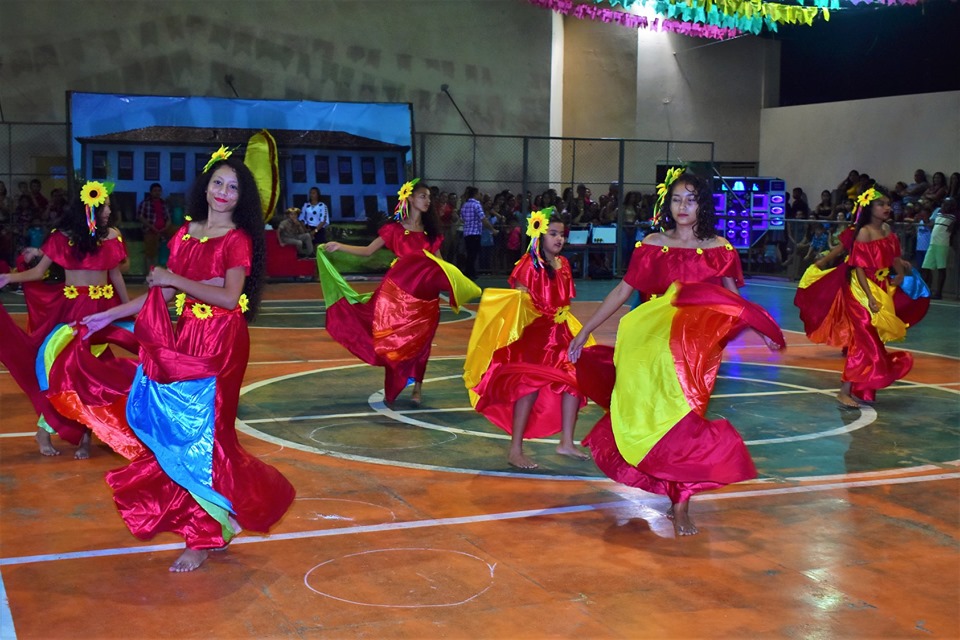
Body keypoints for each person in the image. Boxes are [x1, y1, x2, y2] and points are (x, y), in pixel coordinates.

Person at [81, 150, 295, 572]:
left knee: (207, 435)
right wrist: (105, 315)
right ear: (205, 186)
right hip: (186, 339)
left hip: (222, 341)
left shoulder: (237, 239)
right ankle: (219, 512)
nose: (223, 192)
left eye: (233, 188)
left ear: (241, 198)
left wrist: (175, 279)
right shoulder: (185, 234)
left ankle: (202, 536)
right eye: (218, 183)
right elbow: (160, 295)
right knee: (180, 432)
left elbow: (229, 298)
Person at [567, 169, 784, 536]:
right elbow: (622, 292)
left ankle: (680, 504)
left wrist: (762, 329)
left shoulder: (720, 249)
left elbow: (733, 300)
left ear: (703, 204)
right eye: (677, 199)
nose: (683, 206)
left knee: (686, 425)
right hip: (650, 350)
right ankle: (674, 498)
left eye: (692, 199)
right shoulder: (652, 244)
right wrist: (586, 328)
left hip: (694, 356)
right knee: (653, 420)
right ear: (668, 204)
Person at [0, 181, 136, 459]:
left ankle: (86, 436)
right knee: (70, 374)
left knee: (97, 374)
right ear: (92, 208)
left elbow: (117, 275)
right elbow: (38, 273)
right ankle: (45, 430)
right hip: (75, 312)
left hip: (103, 312)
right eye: (106, 205)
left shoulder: (111, 236)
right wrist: (9, 277)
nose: (110, 209)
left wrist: (127, 308)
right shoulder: (62, 237)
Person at [319, 179, 480, 407]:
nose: (428, 201)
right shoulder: (394, 230)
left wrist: (456, 284)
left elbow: (441, 265)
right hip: (396, 299)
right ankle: (395, 381)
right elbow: (367, 251)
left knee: (422, 345)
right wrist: (339, 246)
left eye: (428, 198)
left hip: (425, 301)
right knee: (393, 343)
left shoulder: (431, 234)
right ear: (410, 199)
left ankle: (418, 387)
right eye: (423, 196)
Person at [464, 212, 592, 469]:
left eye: (562, 234)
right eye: (553, 233)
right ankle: (515, 449)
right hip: (535, 336)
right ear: (539, 234)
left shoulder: (563, 264)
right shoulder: (528, 264)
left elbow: (565, 301)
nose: (559, 239)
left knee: (574, 382)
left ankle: (566, 441)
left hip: (560, 332)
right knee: (529, 388)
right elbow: (518, 304)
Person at [809, 187, 928, 409]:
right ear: (869, 208)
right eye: (881, 204)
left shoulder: (887, 229)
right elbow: (859, 268)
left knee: (875, 337)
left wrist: (901, 273)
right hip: (860, 289)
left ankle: (863, 387)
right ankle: (844, 390)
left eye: (888, 204)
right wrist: (869, 297)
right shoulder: (862, 232)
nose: (887, 208)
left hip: (881, 286)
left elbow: (893, 256)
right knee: (864, 338)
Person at [922, 197, 957, 299]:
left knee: (941, 268)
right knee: (925, 267)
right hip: (932, 244)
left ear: (952, 207)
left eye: (948, 205)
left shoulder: (953, 217)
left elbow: (952, 227)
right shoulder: (938, 213)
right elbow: (931, 225)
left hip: (942, 244)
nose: (944, 206)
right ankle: (925, 290)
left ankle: (938, 292)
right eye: (944, 204)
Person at [460, 186, 497, 280]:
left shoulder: (465, 205)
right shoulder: (477, 205)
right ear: (475, 194)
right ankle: (470, 273)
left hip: (467, 232)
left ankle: (469, 271)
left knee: (469, 253)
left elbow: (462, 218)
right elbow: (483, 219)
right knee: (473, 254)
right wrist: (492, 229)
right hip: (475, 232)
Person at [137, 182, 172, 271]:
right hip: (150, 232)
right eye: (155, 191)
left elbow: (168, 218)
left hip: (163, 232)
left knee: (160, 254)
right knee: (149, 254)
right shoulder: (145, 203)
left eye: (159, 191)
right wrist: (152, 227)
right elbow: (140, 216)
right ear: (151, 192)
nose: (157, 192)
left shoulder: (163, 203)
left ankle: (159, 275)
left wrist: (165, 227)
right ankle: (148, 274)